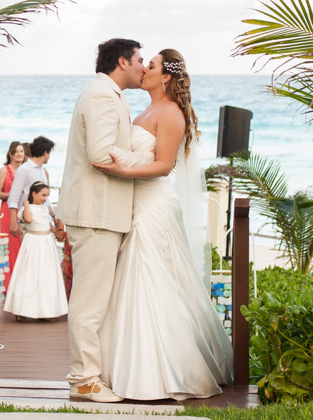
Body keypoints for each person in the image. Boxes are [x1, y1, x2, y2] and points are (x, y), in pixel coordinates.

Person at [93, 48, 233, 400]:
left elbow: (164, 165)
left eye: (151, 66)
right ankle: (131, 367)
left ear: (166, 77)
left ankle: (161, 372)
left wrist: (124, 170)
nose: (144, 70)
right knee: (134, 279)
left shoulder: (170, 113)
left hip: (154, 203)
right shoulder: (146, 109)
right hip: (136, 201)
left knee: (149, 277)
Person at [56, 38, 143, 403]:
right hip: (95, 213)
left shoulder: (109, 94)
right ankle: (84, 379)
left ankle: (90, 375)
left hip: (102, 212)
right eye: (139, 60)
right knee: (89, 301)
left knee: (95, 300)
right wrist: (146, 159)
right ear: (122, 61)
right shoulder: (102, 96)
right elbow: (99, 153)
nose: (142, 66)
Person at [4, 182, 69, 321]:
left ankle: (47, 311)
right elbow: (28, 219)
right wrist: (26, 203)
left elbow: (47, 223)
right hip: (33, 242)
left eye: (47, 196)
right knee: (30, 274)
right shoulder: (25, 209)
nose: (45, 198)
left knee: (47, 275)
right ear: (34, 194)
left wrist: (58, 232)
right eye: (43, 195)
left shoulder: (45, 208)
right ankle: (23, 310)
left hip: (46, 243)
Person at [8, 136, 58, 226]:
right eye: (50, 153)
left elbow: (45, 198)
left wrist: (53, 216)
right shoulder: (24, 169)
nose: (49, 156)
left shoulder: (42, 170)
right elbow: (13, 197)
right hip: (29, 218)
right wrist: (13, 223)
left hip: (44, 218)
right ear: (45, 153)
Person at [0, 141, 26, 266]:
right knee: (9, 244)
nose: (19, 154)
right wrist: (14, 196)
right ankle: (8, 280)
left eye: (21, 151)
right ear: (10, 154)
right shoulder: (4, 170)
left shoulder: (26, 170)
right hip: (7, 211)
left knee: (23, 245)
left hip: (23, 211)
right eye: (16, 151)